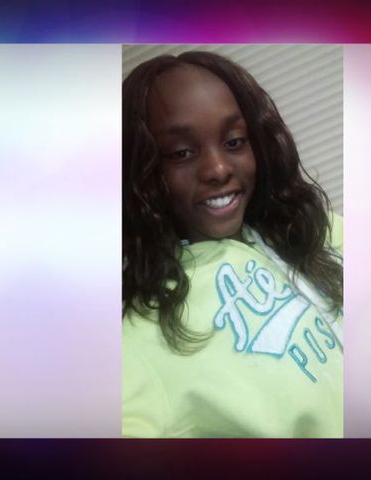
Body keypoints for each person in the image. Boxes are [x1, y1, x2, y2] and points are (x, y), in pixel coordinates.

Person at [122, 51, 343, 437]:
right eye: (181, 153)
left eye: (234, 141)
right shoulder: (138, 333)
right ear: (139, 171)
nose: (219, 169)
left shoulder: (309, 226)